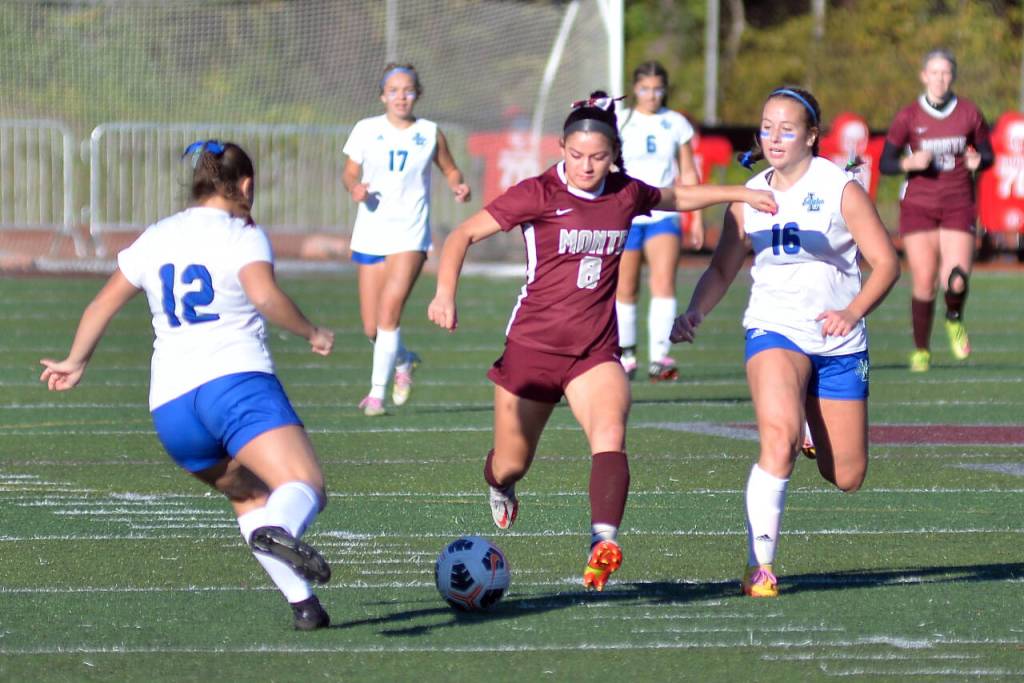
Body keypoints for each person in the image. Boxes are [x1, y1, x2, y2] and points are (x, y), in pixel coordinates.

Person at [428, 92, 777, 592]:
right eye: (576, 155)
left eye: (598, 156)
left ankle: (602, 542)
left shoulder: (624, 193)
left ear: (613, 153)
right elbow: (462, 235)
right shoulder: (537, 193)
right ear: (561, 149)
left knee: (610, 431)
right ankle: (498, 483)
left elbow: (677, 197)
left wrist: (740, 195)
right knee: (511, 461)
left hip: (595, 351)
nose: (587, 166)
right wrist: (445, 294)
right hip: (532, 352)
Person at [40, 141, 336, 630]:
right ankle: (279, 530)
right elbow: (263, 294)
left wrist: (76, 360)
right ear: (244, 185)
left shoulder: (157, 235)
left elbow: (99, 306)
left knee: (247, 497)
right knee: (303, 485)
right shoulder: (242, 233)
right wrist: (311, 331)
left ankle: (304, 607)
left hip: (172, 409)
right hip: (234, 384)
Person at [670, 87, 900, 598]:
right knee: (777, 440)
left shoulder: (840, 188)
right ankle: (761, 566)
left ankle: (811, 422)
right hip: (773, 328)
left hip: (839, 340)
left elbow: (887, 264)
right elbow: (724, 266)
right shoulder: (748, 195)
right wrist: (694, 312)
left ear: (812, 136)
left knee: (847, 476)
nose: (774, 137)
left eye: (787, 128)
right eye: (767, 127)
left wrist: (851, 311)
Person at [342, 62, 471, 415]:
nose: (401, 97)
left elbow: (450, 167)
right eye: (394, 91)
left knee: (389, 311)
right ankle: (404, 361)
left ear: (418, 94)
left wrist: (457, 184)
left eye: (408, 90)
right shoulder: (366, 130)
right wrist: (355, 187)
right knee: (372, 326)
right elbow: (350, 172)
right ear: (383, 95)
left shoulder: (429, 132)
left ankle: (376, 394)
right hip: (371, 232)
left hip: (410, 234)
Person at [879, 49, 993, 372]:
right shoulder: (908, 117)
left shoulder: (969, 113)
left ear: (953, 76)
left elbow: (987, 153)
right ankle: (921, 350)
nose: (940, 79)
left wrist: (978, 160)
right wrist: (907, 162)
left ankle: (954, 318)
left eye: (946, 73)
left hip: (958, 203)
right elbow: (886, 162)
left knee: (956, 280)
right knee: (924, 281)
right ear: (923, 76)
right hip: (919, 206)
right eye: (934, 72)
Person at [616, 61, 704, 382]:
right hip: (627, 215)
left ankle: (660, 357)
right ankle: (626, 354)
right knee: (625, 287)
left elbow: (688, 171)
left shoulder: (676, 123)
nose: (651, 95)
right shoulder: (621, 120)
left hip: (664, 213)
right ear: (634, 89)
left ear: (664, 89)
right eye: (644, 89)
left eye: (657, 89)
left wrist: (695, 216)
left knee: (663, 282)